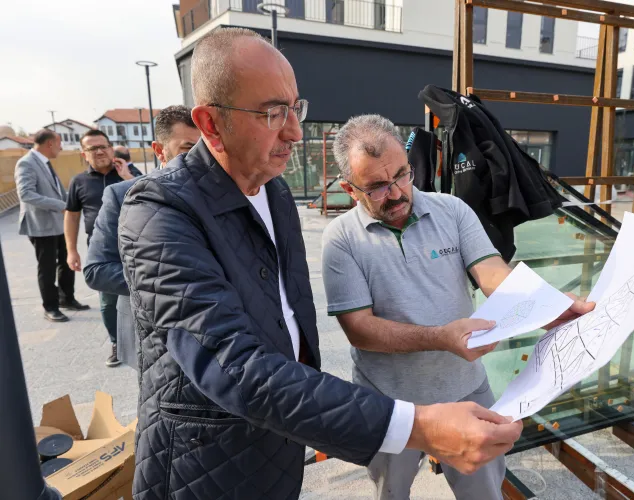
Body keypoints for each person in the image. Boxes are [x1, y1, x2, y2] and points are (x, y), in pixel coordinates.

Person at [118, 27, 522, 500]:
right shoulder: (158, 211)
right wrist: (418, 424)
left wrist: (543, 304)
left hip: (279, 441)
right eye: (273, 113)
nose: (294, 131)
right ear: (210, 124)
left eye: (295, 108)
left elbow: (286, 331)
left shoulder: (275, 193)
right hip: (207, 461)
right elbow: (235, 365)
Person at [322, 114, 595, 499]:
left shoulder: (451, 210)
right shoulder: (341, 239)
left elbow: (492, 272)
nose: (397, 193)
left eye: (402, 175)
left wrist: (544, 304)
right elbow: (360, 330)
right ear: (350, 189)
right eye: (378, 187)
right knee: (391, 491)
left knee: (483, 491)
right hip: (390, 405)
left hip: (466, 389)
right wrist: (440, 338)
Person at [84, 105, 199, 370]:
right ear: (159, 150)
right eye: (187, 149)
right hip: (151, 337)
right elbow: (97, 270)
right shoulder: (122, 196)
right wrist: (170, 285)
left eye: (205, 148)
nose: (199, 158)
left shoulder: (221, 195)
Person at [64, 130, 140, 367]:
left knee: (137, 296)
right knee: (108, 303)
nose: (99, 152)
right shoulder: (79, 181)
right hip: (103, 251)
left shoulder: (132, 174)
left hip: (135, 245)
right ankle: (116, 341)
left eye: (103, 146)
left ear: (111, 148)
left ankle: (141, 340)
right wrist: (71, 250)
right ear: (83, 154)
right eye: (92, 148)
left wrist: (127, 175)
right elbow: (72, 216)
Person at [14, 129, 89, 322]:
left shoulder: (45, 162)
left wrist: (73, 202)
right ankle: (50, 307)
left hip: (58, 224)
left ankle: (67, 298)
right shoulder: (26, 163)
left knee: (66, 262)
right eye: (59, 143)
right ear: (50, 143)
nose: (61, 148)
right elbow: (26, 194)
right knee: (47, 268)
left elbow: (56, 190)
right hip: (41, 226)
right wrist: (61, 206)